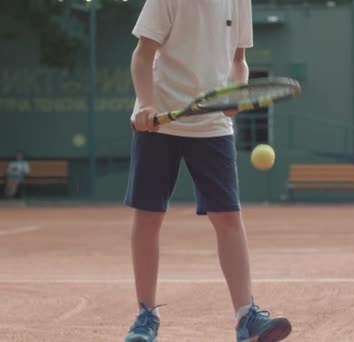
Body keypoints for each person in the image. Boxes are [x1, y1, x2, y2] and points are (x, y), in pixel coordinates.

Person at [125, 1, 292, 341]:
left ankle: (247, 318)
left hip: (213, 125)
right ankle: (145, 317)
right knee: (148, 216)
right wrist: (145, 103)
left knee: (228, 217)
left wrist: (236, 93)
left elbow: (238, 62)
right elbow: (143, 55)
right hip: (160, 119)